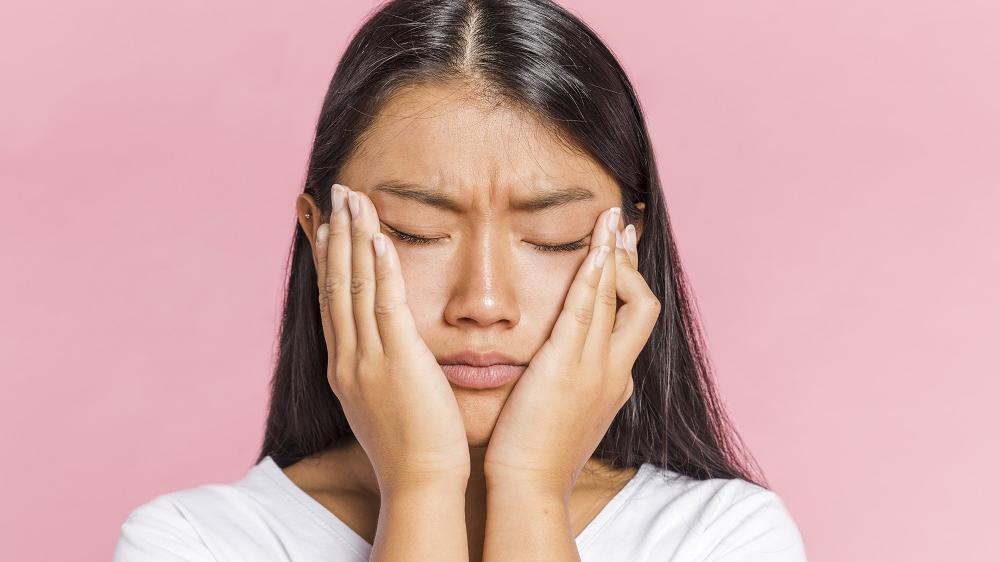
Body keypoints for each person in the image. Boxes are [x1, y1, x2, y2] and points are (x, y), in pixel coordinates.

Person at [113, 0, 808, 560]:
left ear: (630, 247)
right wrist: (420, 489)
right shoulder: (193, 541)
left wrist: (530, 485)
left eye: (552, 238)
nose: (482, 303)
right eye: (415, 231)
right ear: (321, 240)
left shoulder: (722, 538)